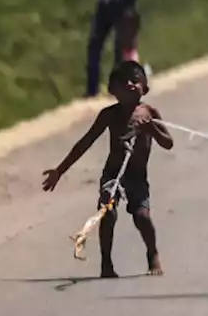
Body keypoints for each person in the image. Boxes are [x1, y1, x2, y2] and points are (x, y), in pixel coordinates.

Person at [42, 61, 172, 278]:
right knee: (108, 213)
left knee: (142, 216)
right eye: (123, 82)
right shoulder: (109, 115)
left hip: (137, 178)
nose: (130, 85)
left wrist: (152, 130)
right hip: (113, 176)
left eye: (135, 80)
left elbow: (168, 143)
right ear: (113, 91)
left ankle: (152, 252)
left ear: (145, 88)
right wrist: (60, 170)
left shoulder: (149, 112)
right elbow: (85, 142)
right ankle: (106, 263)